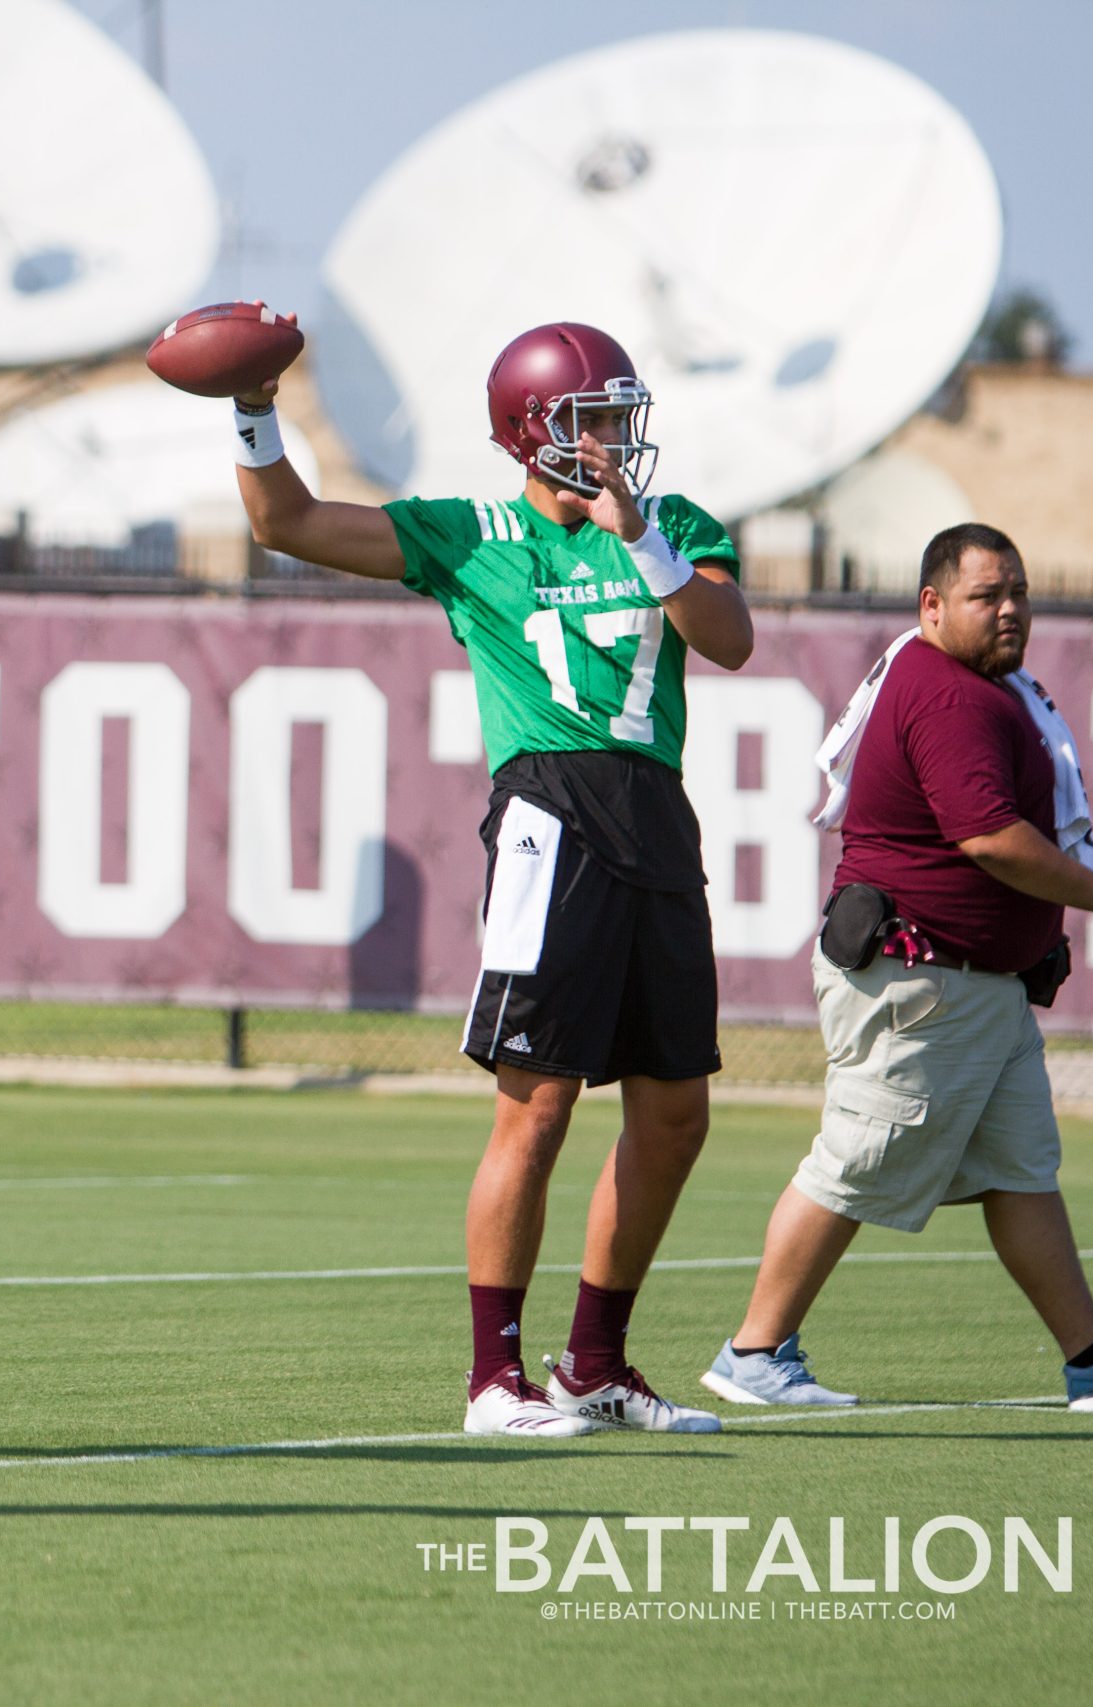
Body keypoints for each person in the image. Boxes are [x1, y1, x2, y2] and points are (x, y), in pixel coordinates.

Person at [234, 322, 753, 1437]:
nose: (615, 439)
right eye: (591, 420)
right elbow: (284, 521)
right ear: (532, 432)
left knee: (674, 1114)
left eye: (621, 417)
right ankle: (492, 1379)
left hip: (656, 817)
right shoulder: (468, 534)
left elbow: (730, 638)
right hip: (547, 819)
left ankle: (594, 1363)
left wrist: (644, 541)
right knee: (539, 1102)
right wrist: (249, 410)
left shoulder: (674, 525)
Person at [703, 523, 1093, 1413]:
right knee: (855, 1159)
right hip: (921, 982)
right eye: (989, 595)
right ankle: (754, 1350)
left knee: (1019, 1169)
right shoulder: (949, 694)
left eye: (1019, 592)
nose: (1011, 610)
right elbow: (987, 835)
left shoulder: (984, 687)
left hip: (973, 989)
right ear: (933, 605)